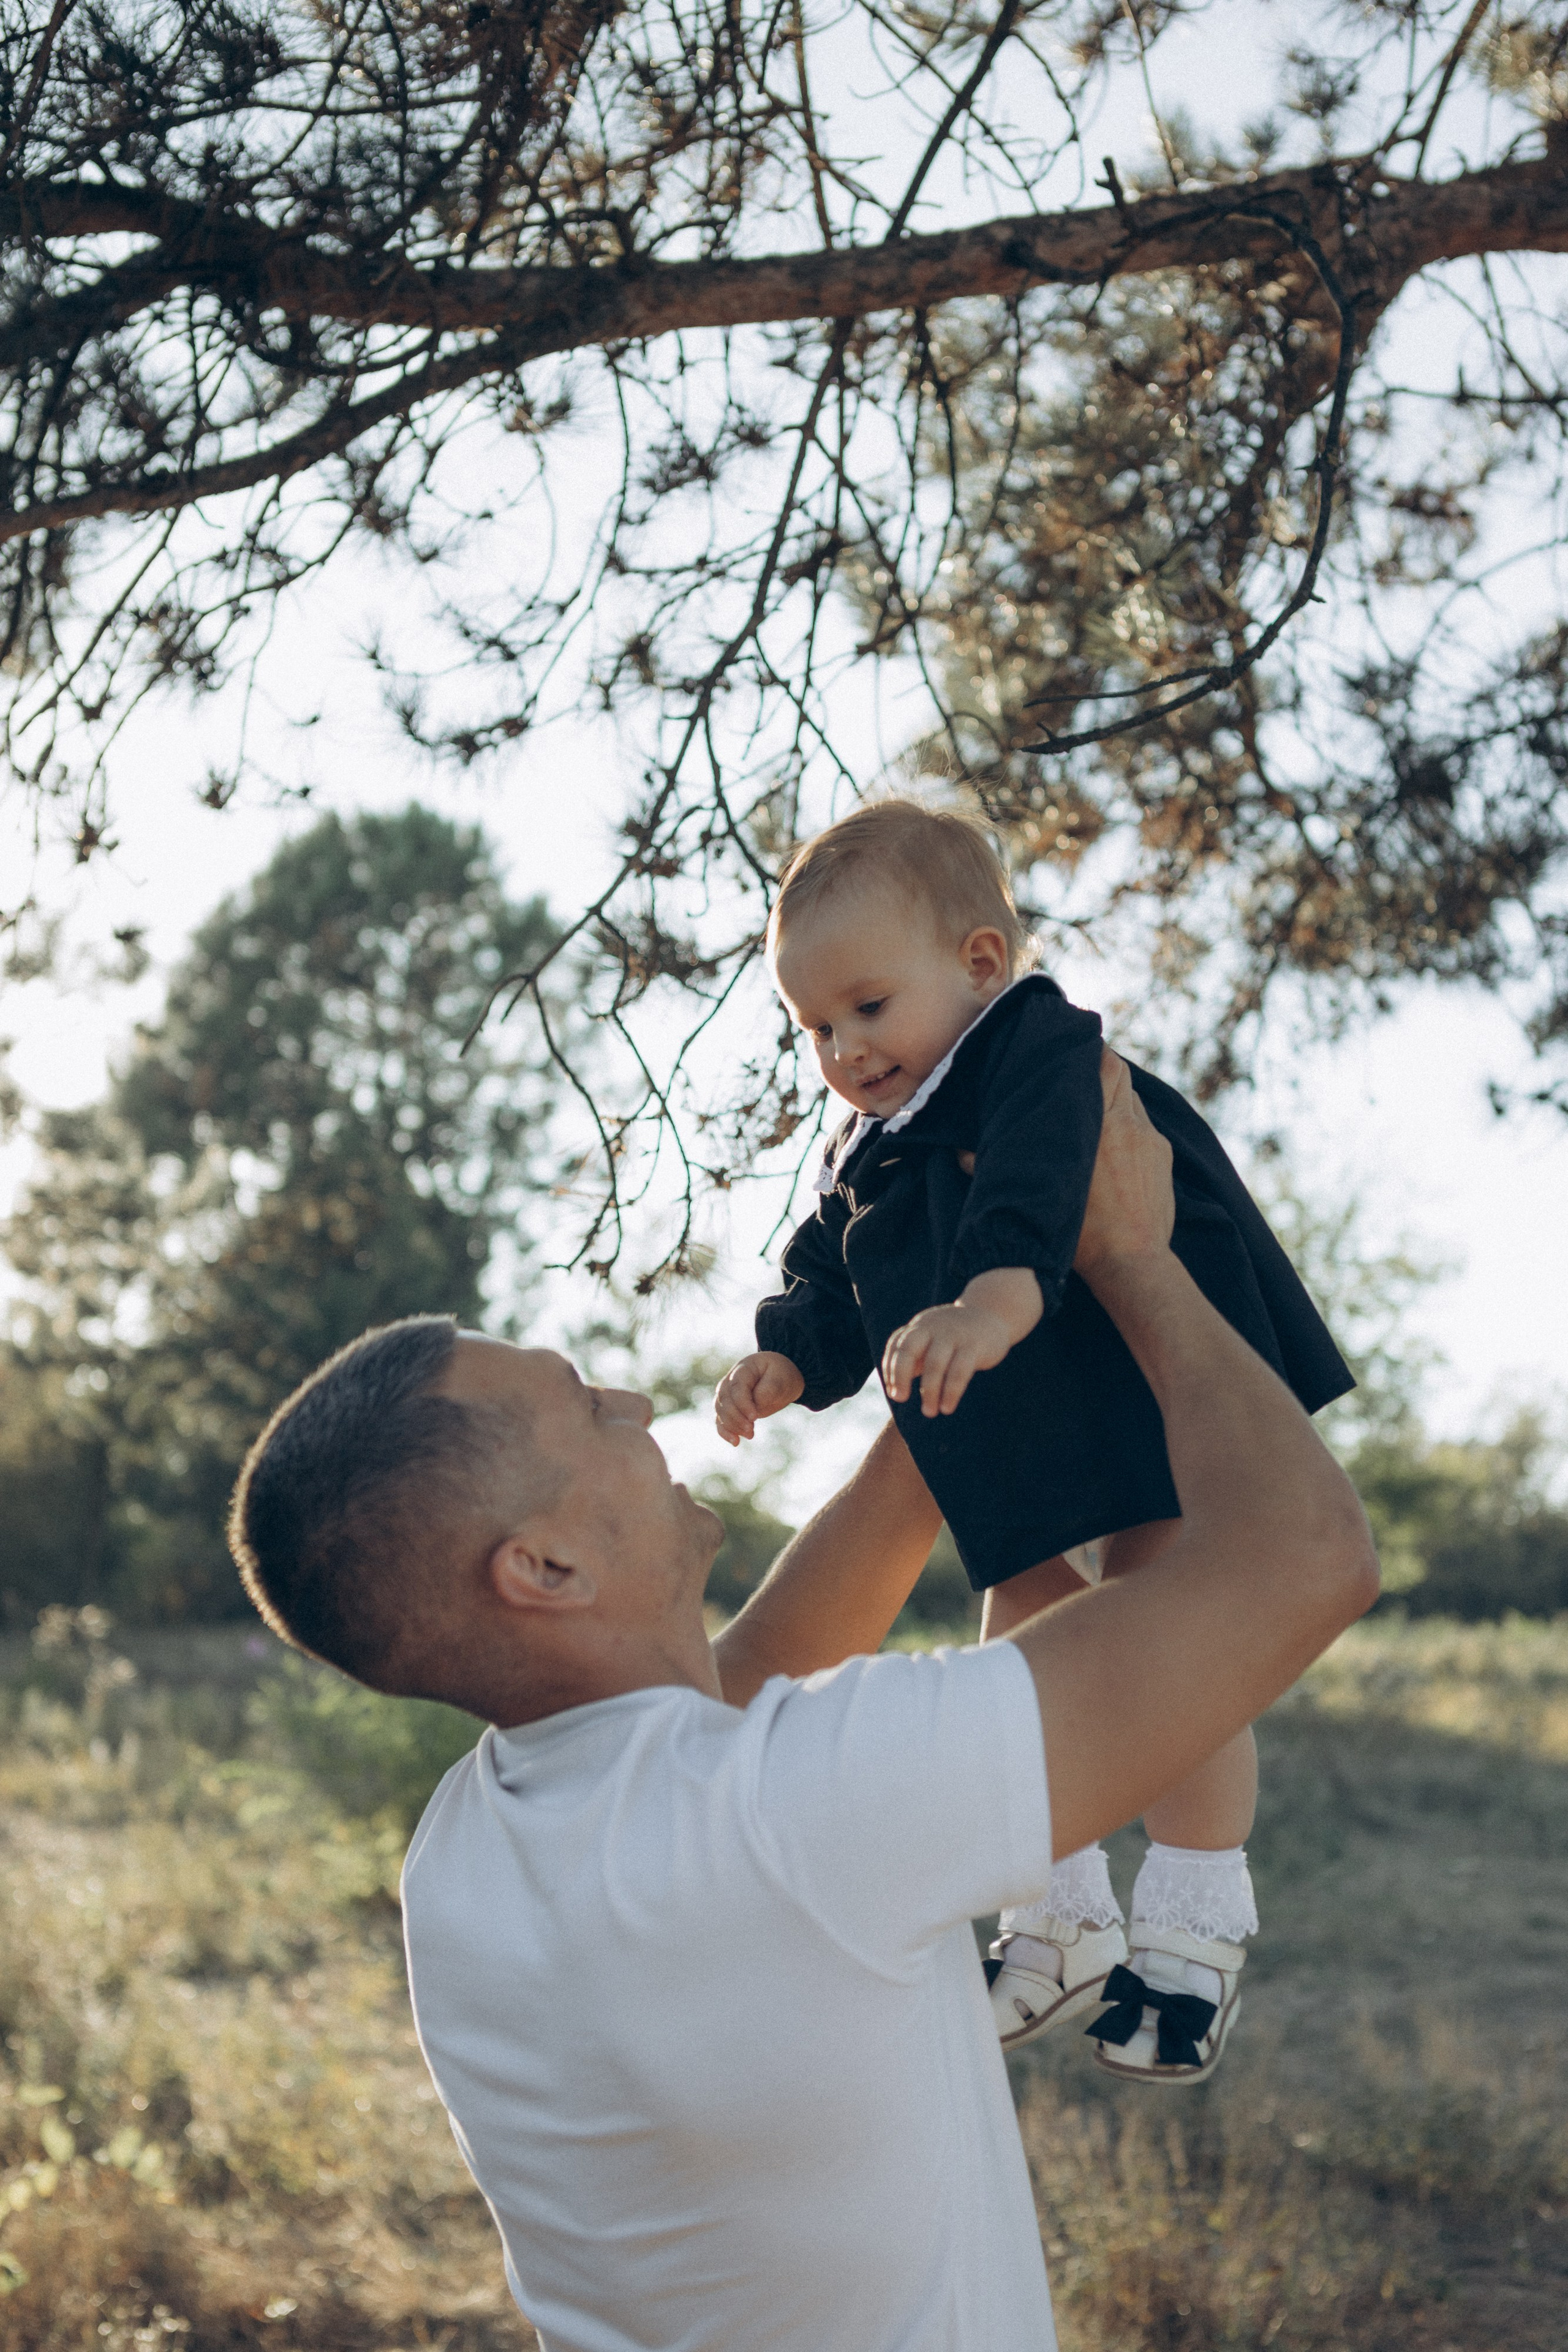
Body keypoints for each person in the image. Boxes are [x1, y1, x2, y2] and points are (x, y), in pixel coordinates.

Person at [227, 1055, 1377, 2352]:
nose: (633, 1401)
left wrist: (965, 1343)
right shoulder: (801, 1813)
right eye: (585, 1408)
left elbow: (748, 1672)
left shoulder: (466, 1852)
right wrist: (1125, 1256)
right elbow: (1305, 1560)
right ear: (544, 1569)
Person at [715, 800, 1354, 2078]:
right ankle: (1053, 1910)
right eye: (814, 1029)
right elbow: (837, 1259)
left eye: (864, 1008)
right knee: (1016, 1609)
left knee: (1165, 1605)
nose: (841, 1049)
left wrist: (998, 1291)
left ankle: (1190, 1920)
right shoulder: (875, 1136)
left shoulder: (1035, 1045)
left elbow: (1038, 1174)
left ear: (978, 964)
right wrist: (792, 1350)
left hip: (1118, 1348)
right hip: (1007, 1378)